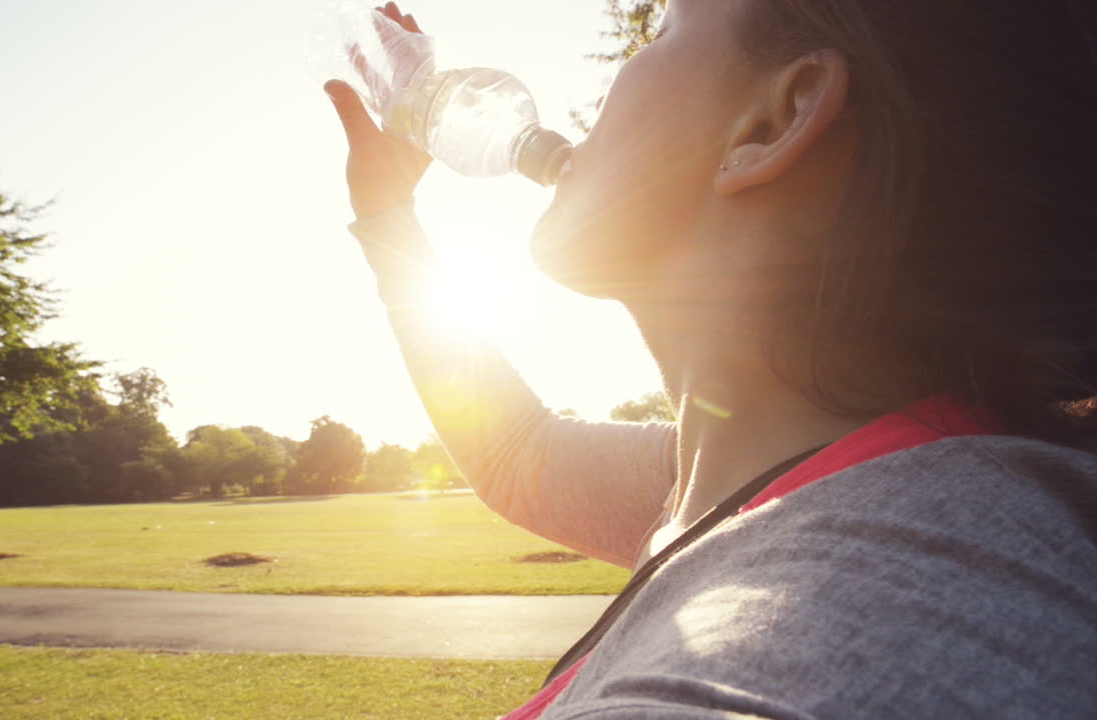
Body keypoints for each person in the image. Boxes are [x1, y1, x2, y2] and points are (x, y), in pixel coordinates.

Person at [325, 1, 1097, 717]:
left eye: (663, 28)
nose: (600, 99)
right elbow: (517, 457)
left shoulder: (811, 637)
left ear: (775, 121)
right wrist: (390, 220)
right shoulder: (789, 476)